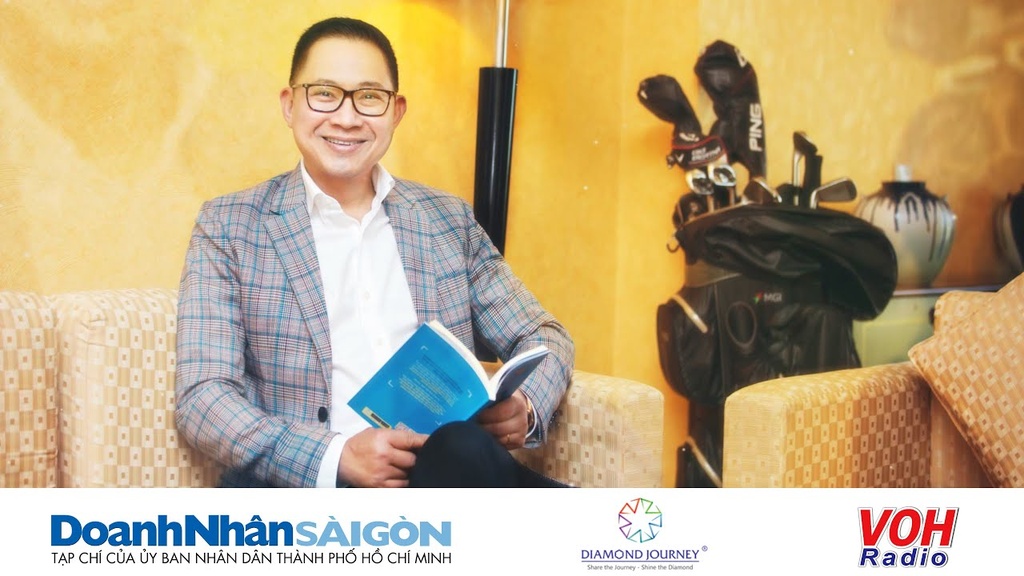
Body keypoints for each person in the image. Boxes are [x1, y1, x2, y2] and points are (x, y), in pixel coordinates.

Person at [174, 16, 574, 488]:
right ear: (289, 104)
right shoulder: (229, 227)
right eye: (324, 93)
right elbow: (203, 397)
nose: (347, 118)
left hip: (452, 473)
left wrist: (525, 404)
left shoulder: (447, 220)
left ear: (396, 111)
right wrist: (334, 456)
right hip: (313, 493)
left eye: (369, 97)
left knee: (460, 448)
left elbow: (545, 336)